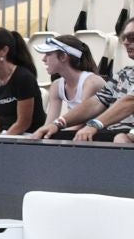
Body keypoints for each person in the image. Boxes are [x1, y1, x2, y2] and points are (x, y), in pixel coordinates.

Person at [30, 34, 107, 140]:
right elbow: (50, 122)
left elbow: (83, 120)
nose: (44, 59)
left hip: (101, 137)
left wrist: (55, 131)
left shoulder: (91, 82)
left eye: (48, 54)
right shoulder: (56, 86)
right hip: (77, 137)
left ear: (63, 57)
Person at [73, 16, 134, 144]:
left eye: (132, 37)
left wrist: (94, 125)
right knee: (52, 135)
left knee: (120, 139)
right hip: (114, 133)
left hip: (124, 135)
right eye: (124, 38)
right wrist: (58, 123)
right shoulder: (124, 73)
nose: (126, 42)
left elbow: (130, 101)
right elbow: (97, 101)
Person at [0, 27, 45, 136]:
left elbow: (23, 123)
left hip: (29, 137)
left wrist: (3, 144)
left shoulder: (23, 78)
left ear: (4, 51)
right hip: (5, 136)